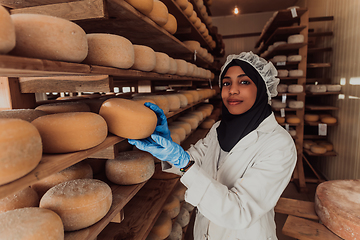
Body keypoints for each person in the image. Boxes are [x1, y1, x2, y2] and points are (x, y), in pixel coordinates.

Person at [129, 51, 297, 240]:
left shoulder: (278, 144)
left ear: (261, 88)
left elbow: (239, 212)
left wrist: (184, 163)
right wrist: (169, 151)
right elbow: (195, 161)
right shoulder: (219, 129)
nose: (232, 90)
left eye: (244, 82)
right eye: (226, 83)